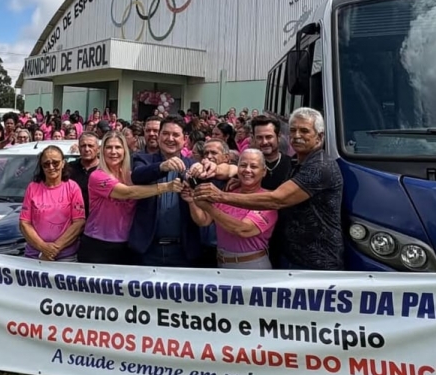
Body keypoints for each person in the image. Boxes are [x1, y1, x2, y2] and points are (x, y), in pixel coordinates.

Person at [194, 108, 343, 271]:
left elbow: (277, 199)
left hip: (316, 262)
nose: (297, 135)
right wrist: (239, 178)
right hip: (289, 257)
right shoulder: (296, 163)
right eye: (293, 130)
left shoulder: (320, 165)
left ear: (320, 136)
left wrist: (220, 196)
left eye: (305, 131)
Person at [20, 145, 88, 375]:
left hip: (66, 258)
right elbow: (24, 222)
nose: (51, 167)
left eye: (56, 163)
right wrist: (42, 248)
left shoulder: (72, 188)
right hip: (35, 258)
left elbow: (79, 221)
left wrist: (56, 247)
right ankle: (38, 360)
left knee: (67, 315)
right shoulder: (33, 188)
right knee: (36, 313)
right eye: (46, 163)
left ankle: (73, 368)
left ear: (63, 164)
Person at [79, 132, 180, 266]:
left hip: (127, 244)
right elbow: (128, 193)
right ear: (102, 151)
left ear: (125, 151)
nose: (113, 152)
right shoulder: (97, 176)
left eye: (118, 147)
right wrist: (167, 186)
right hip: (98, 244)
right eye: (109, 147)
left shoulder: (130, 176)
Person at [128, 116, 200, 267]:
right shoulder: (143, 159)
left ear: (185, 139)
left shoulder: (193, 166)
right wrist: (162, 166)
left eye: (175, 135)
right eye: (165, 134)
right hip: (147, 249)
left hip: (183, 251)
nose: (170, 138)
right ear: (159, 136)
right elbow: (137, 175)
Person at [188, 149, 276, 271]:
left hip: (251, 265)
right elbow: (204, 221)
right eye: (243, 165)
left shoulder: (267, 200)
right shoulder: (228, 192)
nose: (247, 170)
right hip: (222, 263)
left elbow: (243, 229)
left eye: (254, 166)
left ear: (264, 171)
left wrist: (209, 207)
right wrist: (191, 200)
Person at [66, 133, 100, 213]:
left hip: (99, 220)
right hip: (73, 219)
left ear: (98, 149)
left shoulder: (105, 169)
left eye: (90, 146)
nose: (87, 149)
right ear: (79, 148)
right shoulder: (69, 168)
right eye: (83, 146)